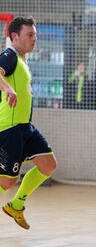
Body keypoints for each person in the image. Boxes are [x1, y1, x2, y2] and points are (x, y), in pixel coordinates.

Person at [0, 16, 57, 230]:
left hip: (25, 127)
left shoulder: (23, 61)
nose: (35, 39)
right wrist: (7, 88)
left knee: (48, 165)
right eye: (30, 35)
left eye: (35, 35)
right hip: (10, 129)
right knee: (6, 182)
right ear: (15, 36)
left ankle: (17, 205)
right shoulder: (10, 56)